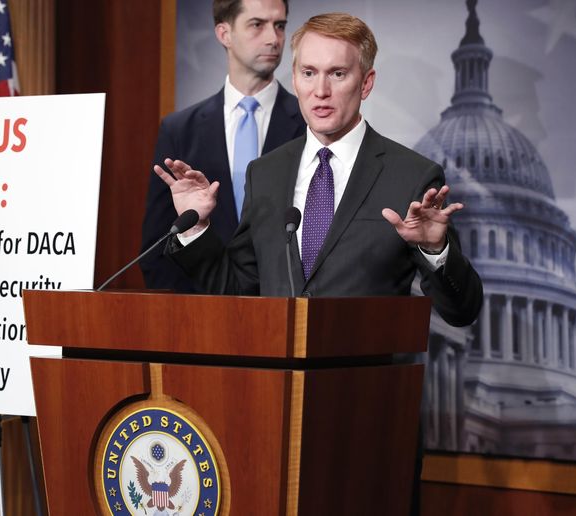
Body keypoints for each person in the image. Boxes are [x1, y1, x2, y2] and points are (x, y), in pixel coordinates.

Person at [155, 12, 482, 329]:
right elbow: (240, 291)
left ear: (366, 83)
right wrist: (195, 228)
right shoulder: (266, 173)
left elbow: (462, 311)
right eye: (308, 73)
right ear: (295, 79)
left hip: (364, 380)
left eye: (337, 73)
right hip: (276, 379)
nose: (320, 91)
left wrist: (435, 250)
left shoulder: (412, 176)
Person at [139, 0, 306, 292]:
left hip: (285, 310)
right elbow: (158, 246)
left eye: (279, 26)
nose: (273, 38)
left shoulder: (310, 125)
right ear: (224, 33)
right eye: (257, 25)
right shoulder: (179, 129)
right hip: (198, 318)